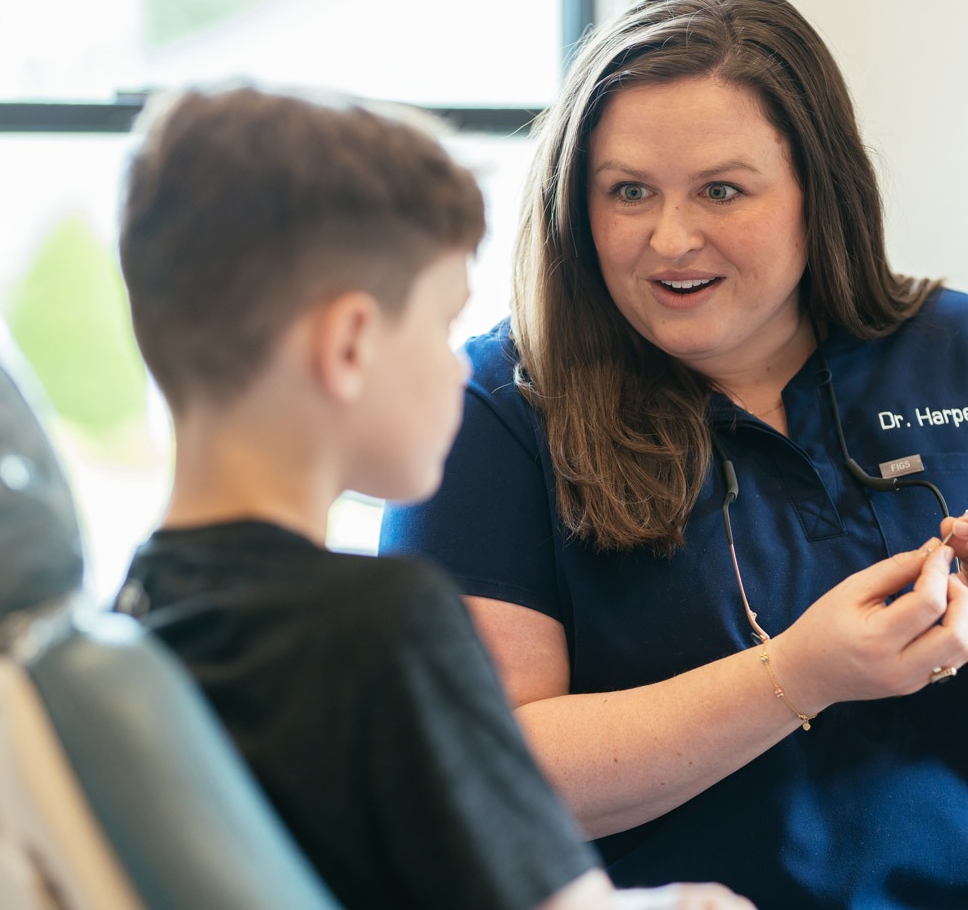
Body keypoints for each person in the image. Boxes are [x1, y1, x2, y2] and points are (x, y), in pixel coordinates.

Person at [380, 0, 968, 909]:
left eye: (721, 190)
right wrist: (797, 675)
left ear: (816, 193)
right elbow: (480, 776)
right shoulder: (494, 411)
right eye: (628, 192)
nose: (670, 238)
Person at [109, 85, 751, 910]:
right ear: (350, 345)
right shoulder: (380, 626)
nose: (458, 367)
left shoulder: (143, 611)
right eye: (444, 327)